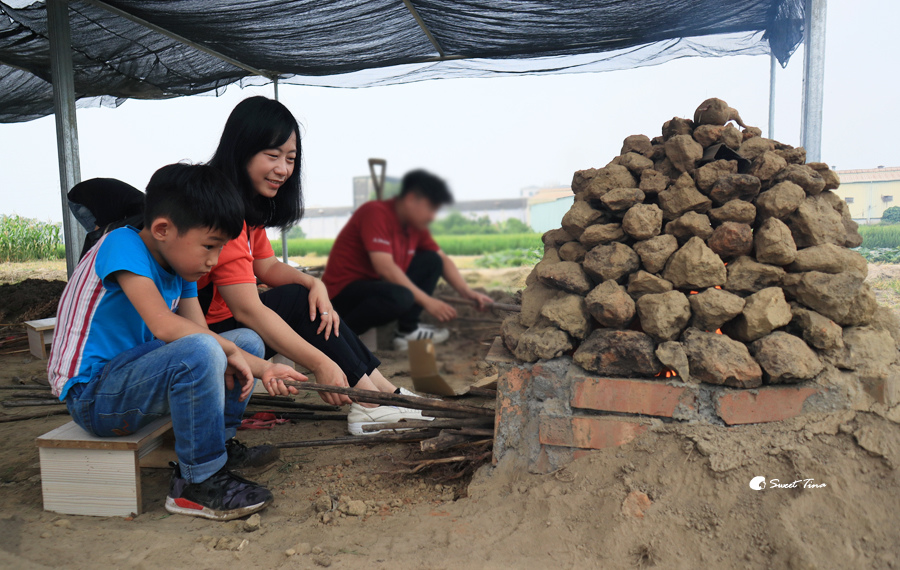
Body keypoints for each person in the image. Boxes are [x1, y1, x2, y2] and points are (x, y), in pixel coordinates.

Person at [47, 163, 307, 521]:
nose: (213, 261)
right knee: (206, 351)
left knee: (245, 340)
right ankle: (196, 482)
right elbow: (164, 324)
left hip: (133, 378)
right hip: (93, 395)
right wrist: (248, 361)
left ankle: (219, 446)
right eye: (209, 246)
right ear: (163, 229)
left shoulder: (180, 268)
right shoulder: (121, 245)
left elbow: (205, 333)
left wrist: (253, 360)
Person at [201, 96, 428, 436]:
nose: (283, 169)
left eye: (291, 159)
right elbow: (247, 310)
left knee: (305, 296)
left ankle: (384, 392)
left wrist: (314, 284)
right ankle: (368, 402)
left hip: (226, 323)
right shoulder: (220, 207)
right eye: (272, 155)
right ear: (242, 149)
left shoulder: (245, 206)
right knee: (294, 301)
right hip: (204, 331)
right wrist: (321, 364)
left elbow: (265, 265)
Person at [324, 169, 494, 350]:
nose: (432, 216)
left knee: (432, 261)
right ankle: (338, 339)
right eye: (431, 208)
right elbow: (385, 268)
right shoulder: (375, 212)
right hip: (342, 294)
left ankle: (407, 331)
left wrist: (467, 292)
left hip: (373, 287)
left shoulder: (415, 226)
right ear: (412, 199)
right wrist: (429, 302)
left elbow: (443, 259)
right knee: (401, 297)